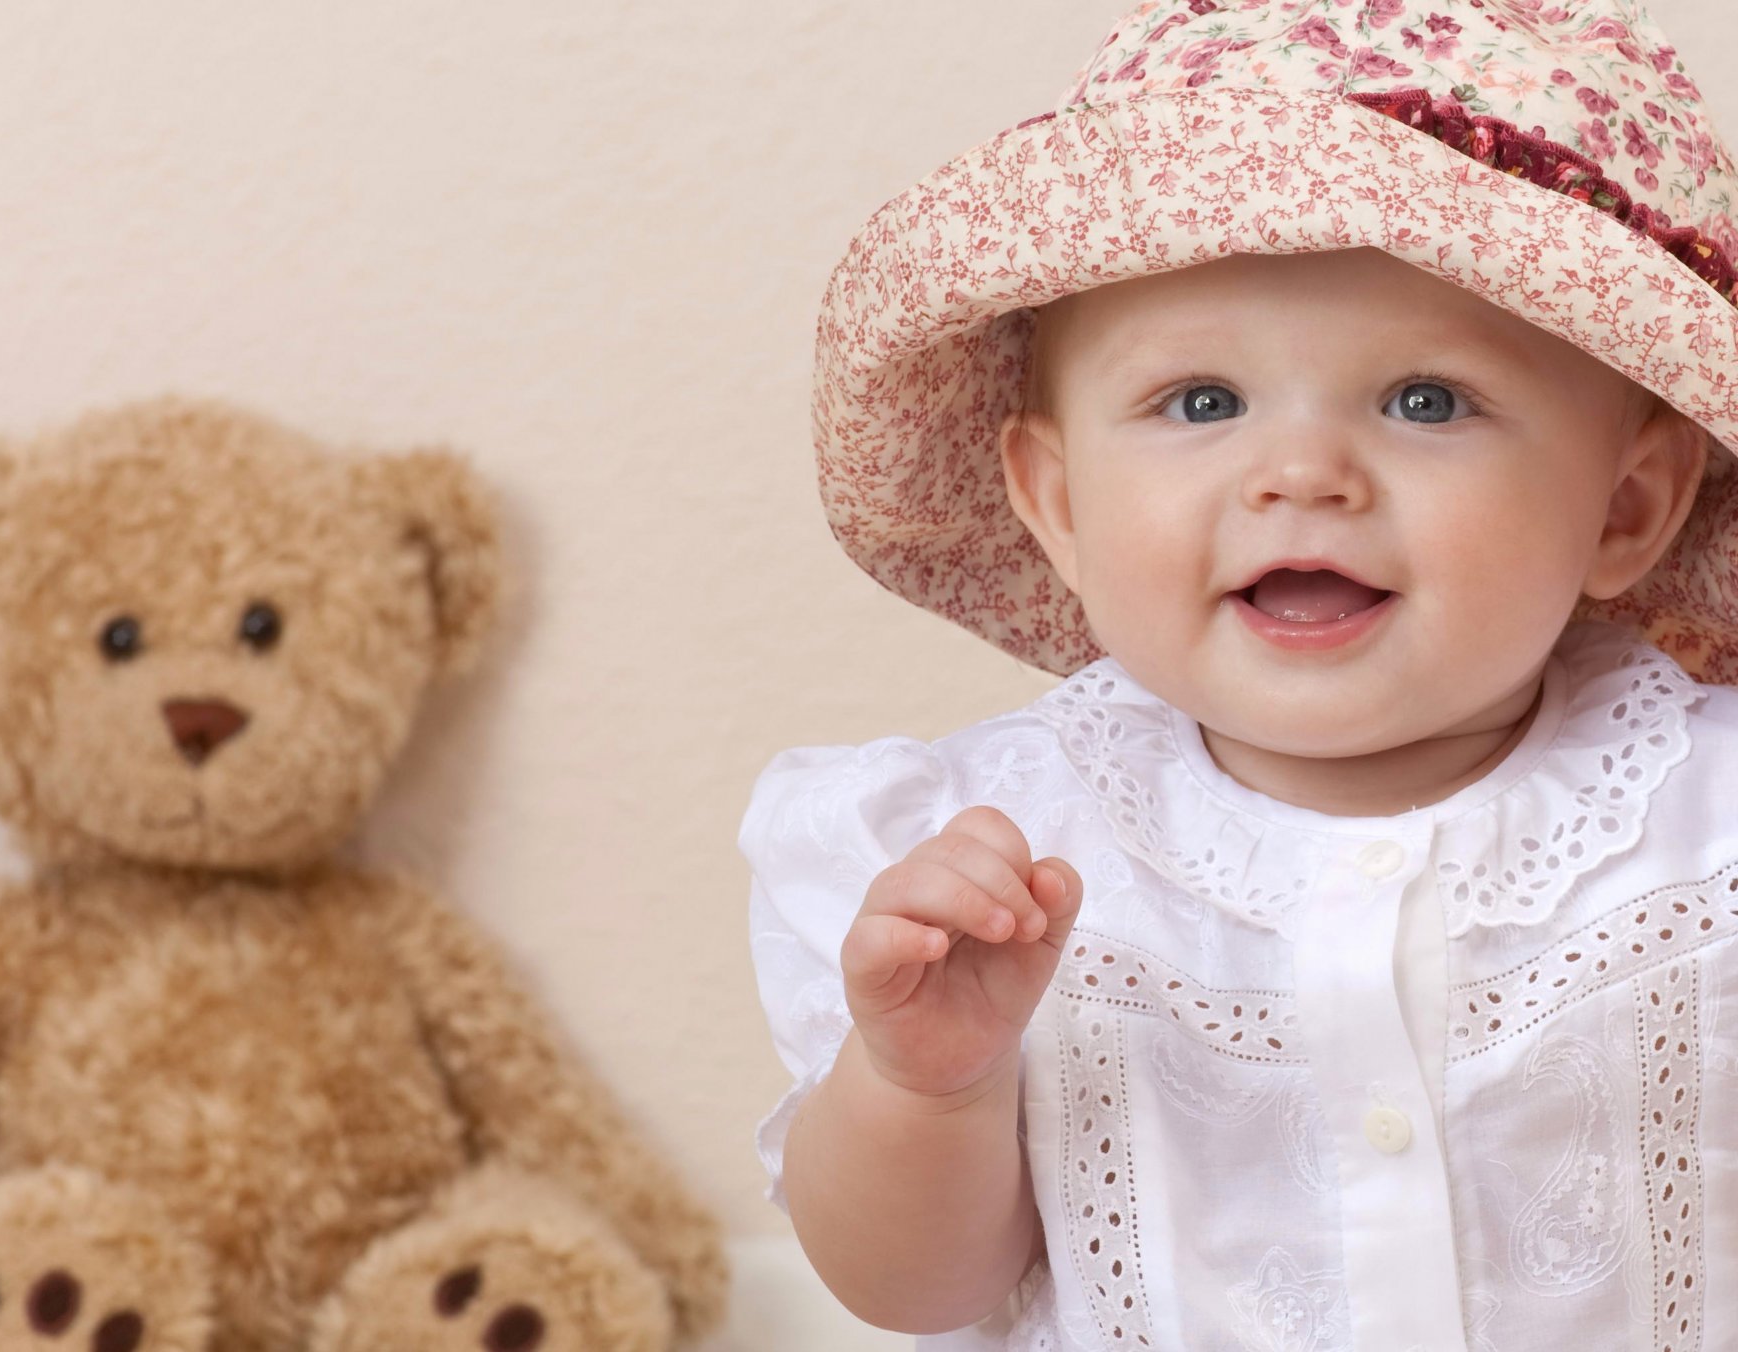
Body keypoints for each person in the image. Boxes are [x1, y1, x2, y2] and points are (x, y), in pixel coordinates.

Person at [740, 1, 1738, 1348]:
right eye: (1202, 402)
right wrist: (929, 1090)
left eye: (1426, 401)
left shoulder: (1708, 836)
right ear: (1060, 504)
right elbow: (916, 1292)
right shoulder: (984, 865)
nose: (1302, 474)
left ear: (1625, 509)